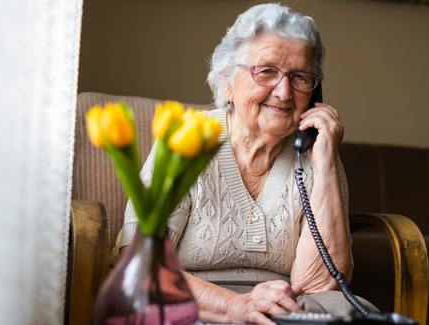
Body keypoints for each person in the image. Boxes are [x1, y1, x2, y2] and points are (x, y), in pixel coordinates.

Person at [120, 3, 378, 324]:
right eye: (266, 71)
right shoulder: (185, 141)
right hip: (196, 304)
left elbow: (320, 286)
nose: (284, 92)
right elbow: (142, 269)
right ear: (227, 81)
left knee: (351, 313)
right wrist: (237, 306)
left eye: (300, 77)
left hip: (283, 310)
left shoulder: (316, 150)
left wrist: (324, 166)